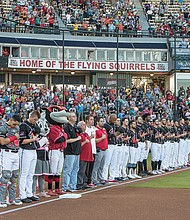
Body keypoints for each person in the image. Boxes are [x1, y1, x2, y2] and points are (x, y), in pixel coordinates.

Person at [19, 110, 41, 203]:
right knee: (24, 173)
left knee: (31, 173)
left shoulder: (33, 126)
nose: (35, 121)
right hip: (25, 150)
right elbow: (22, 141)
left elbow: (39, 131)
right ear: (31, 117)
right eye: (34, 119)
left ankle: (29, 193)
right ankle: (22, 194)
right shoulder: (24, 126)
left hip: (33, 150)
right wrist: (33, 139)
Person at [0, 115, 21, 208]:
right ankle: (1, 199)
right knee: (5, 176)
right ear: (11, 120)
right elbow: (2, 142)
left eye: (17, 124)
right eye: (14, 123)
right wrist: (14, 138)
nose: (15, 126)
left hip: (16, 152)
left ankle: (11, 198)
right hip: (6, 153)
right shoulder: (3, 128)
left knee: (14, 176)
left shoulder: (17, 128)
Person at [63, 112, 81, 192]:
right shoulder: (66, 127)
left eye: (75, 116)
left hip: (76, 151)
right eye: (73, 116)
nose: (75, 118)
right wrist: (77, 139)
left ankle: (73, 185)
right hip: (70, 151)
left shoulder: (75, 127)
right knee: (68, 169)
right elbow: (67, 140)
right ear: (69, 118)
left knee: (75, 169)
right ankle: (65, 186)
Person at [77, 121, 94, 190]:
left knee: (86, 171)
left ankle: (84, 182)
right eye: (83, 125)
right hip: (83, 155)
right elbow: (79, 145)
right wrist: (85, 141)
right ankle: (79, 183)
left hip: (88, 155)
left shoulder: (86, 134)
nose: (85, 126)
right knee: (81, 170)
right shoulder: (79, 135)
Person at [91, 117, 108, 185]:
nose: (102, 122)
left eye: (103, 121)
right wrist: (101, 138)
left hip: (104, 149)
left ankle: (100, 178)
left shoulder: (103, 130)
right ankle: (94, 179)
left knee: (101, 166)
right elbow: (94, 140)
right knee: (96, 166)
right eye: (101, 121)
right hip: (99, 149)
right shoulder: (95, 130)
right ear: (97, 122)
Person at [85, 115, 96, 187]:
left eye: (93, 119)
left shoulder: (93, 128)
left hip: (93, 149)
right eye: (91, 119)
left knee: (91, 167)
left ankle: (89, 181)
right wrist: (90, 137)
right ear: (87, 120)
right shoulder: (85, 129)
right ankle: (85, 181)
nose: (93, 121)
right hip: (87, 150)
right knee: (86, 167)